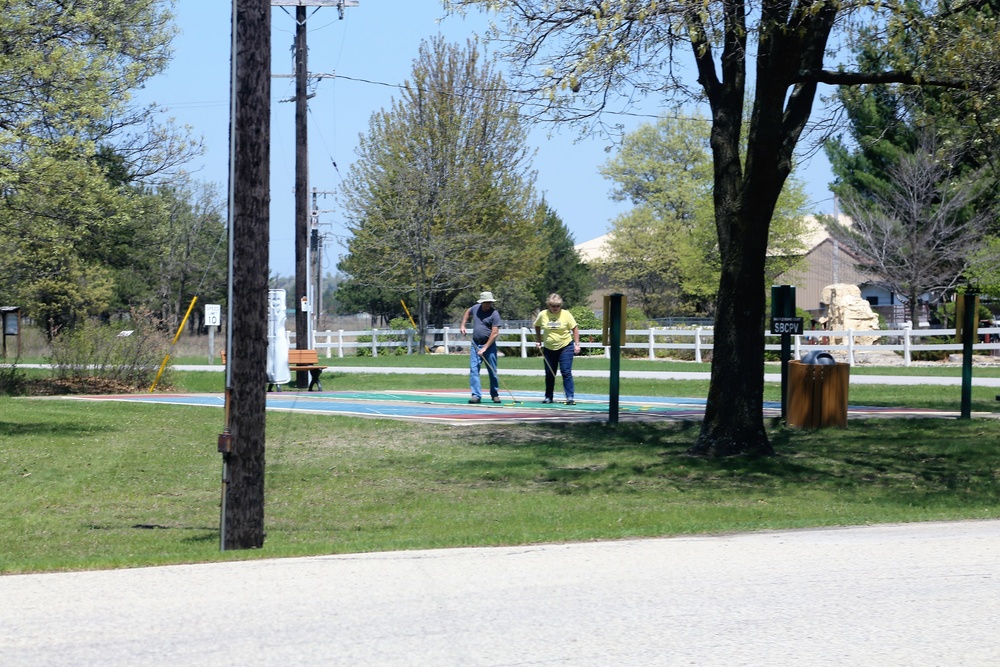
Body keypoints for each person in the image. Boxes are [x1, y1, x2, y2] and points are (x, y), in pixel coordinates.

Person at [533, 293, 581, 405]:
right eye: (553, 306)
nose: (555, 308)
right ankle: (548, 397)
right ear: (549, 305)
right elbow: (537, 325)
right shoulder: (543, 314)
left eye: (558, 306)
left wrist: (577, 344)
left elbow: (575, 329)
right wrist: (539, 340)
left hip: (565, 346)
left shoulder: (566, 315)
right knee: (550, 373)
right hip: (549, 348)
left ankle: (569, 397)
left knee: (566, 371)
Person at [460, 291, 501, 404]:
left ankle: (495, 394)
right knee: (474, 370)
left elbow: (494, 333)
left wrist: (485, 348)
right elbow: (468, 312)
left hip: (489, 346)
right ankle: (476, 395)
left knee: (492, 371)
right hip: (475, 344)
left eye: (489, 302)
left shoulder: (494, 314)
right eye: (486, 303)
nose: (488, 305)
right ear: (481, 302)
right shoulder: (475, 308)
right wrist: (463, 324)